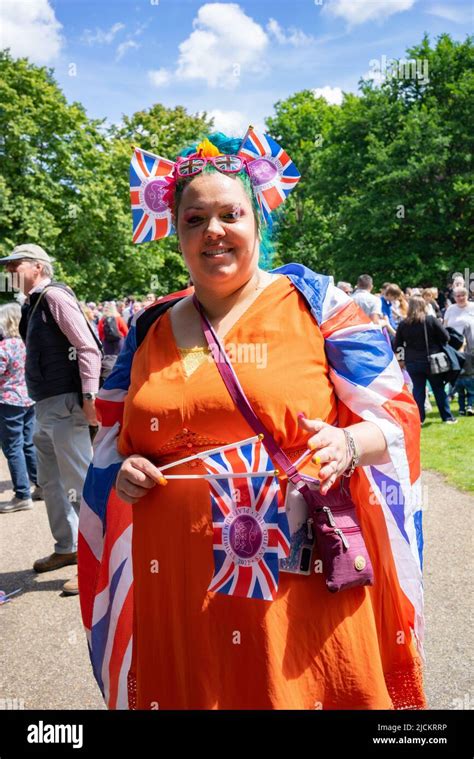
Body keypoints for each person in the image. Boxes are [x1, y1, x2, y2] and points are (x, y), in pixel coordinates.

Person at [79, 131, 425, 710]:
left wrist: (345, 441)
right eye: (195, 219)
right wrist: (128, 468)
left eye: (229, 214)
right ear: (178, 234)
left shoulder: (317, 305)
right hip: (176, 575)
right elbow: (114, 438)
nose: (213, 231)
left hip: (296, 565)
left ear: (257, 222)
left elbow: (396, 415)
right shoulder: (149, 327)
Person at [0, 244, 102, 595]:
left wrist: (90, 397)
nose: (10, 271)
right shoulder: (35, 302)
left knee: (79, 484)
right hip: (45, 404)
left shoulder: (55, 297)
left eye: (16, 264)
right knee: (52, 482)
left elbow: (87, 346)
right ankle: (67, 548)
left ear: (38, 268)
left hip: (65, 403)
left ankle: (98, 563)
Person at [0, 303, 41, 513]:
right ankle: (39, 483)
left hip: (9, 402)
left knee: (13, 447)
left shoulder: (4, 348)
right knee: (28, 443)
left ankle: (22, 494)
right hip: (28, 398)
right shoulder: (28, 343)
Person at [394, 296, 456, 424]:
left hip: (412, 361)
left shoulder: (403, 324)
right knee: (438, 389)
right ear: (424, 306)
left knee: (418, 390)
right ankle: (447, 417)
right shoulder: (430, 320)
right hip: (432, 360)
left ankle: (419, 419)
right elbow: (446, 337)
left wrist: (401, 360)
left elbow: (397, 344)